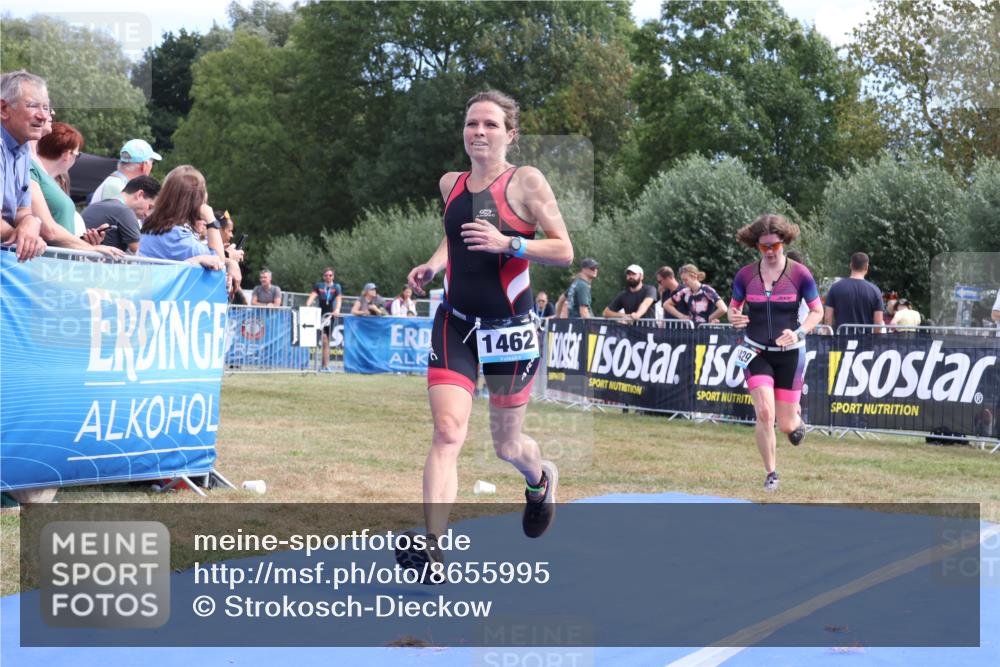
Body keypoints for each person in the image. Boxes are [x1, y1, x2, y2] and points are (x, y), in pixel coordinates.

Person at [403, 90, 573, 574]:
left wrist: (509, 242)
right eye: (472, 123)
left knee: (506, 446)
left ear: (510, 134)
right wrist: (435, 265)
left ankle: (540, 479)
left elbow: (563, 250)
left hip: (510, 331)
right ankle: (433, 546)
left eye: (490, 125)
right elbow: (453, 235)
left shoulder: (527, 182)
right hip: (455, 323)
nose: (479, 131)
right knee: (446, 431)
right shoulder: (450, 183)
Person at [729, 214, 823, 492]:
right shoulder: (746, 275)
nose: (770, 252)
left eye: (774, 246)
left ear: (784, 242)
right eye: (763, 247)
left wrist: (800, 332)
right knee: (764, 412)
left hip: (790, 354)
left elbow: (817, 311)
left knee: (785, 424)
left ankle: (795, 418)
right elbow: (734, 307)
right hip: (755, 351)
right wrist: (734, 317)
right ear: (756, 246)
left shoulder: (799, 274)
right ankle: (771, 472)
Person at [138, 165, 224, 272]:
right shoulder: (176, 235)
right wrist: (211, 220)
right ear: (195, 200)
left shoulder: (154, 225)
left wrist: (232, 262)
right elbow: (219, 261)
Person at [82, 175, 160, 253]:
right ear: (139, 194)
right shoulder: (124, 211)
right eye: (150, 207)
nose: (148, 214)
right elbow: (143, 252)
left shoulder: (96, 205)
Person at [31, 121, 82, 233]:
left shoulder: (40, 174)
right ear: (67, 154)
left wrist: (83, 243)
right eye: (78, 155)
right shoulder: (32, 171)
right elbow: (50, 231)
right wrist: (89, 247)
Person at [823, 252, 885, 333]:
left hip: (841, 341)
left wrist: (829, 338)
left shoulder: (835, 287)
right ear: (866, 267)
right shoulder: (875, 291)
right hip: (866, 342)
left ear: (851, 265)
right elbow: (878, 323)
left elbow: (828, 319)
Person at [89, 138, 161, 204]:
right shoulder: (116, 187)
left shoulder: (116, 183)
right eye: (152, 163)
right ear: (144, 166)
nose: (152, 167)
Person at [305, 267, 343, 372]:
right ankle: (323, 365)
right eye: (326, 275)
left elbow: (339, 299)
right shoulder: (319, 286)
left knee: (326, 341)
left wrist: (337, 309)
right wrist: (307, 306)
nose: (328, 277)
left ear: (333, 276)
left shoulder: (336, 287)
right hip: (319, 314)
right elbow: (312, 296)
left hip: (330, 315)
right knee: (323, 340)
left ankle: (325, 366)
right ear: (323, 276)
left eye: (330, 275)